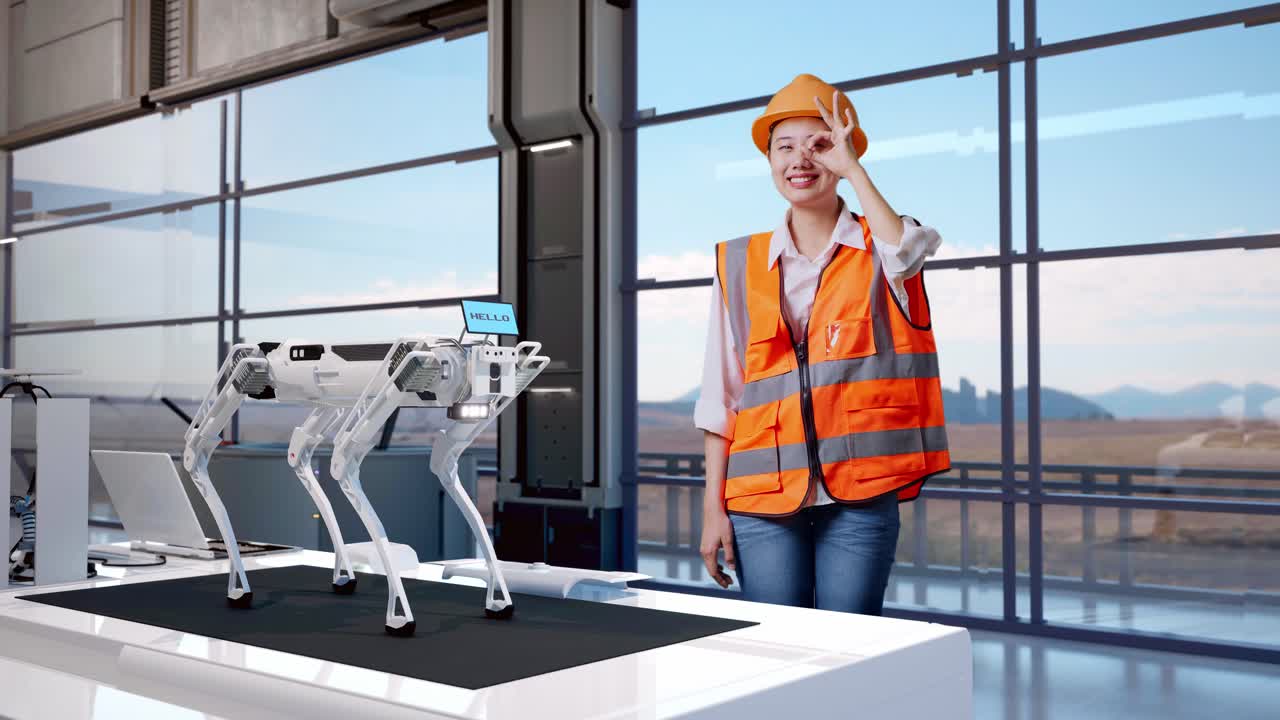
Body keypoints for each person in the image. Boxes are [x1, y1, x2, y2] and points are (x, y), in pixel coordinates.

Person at [695, 73, 951, 614]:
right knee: (774, 651)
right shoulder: (737, 263)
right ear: (768, 162)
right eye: (784, 147)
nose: (800, 160)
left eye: (820, 145)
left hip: (861, 492)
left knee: (848, 650)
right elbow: (723, 398)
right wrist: (712, 509)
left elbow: (907, 249)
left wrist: (854, 170)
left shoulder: (881, 248)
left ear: (843, 152)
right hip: (761, 497)